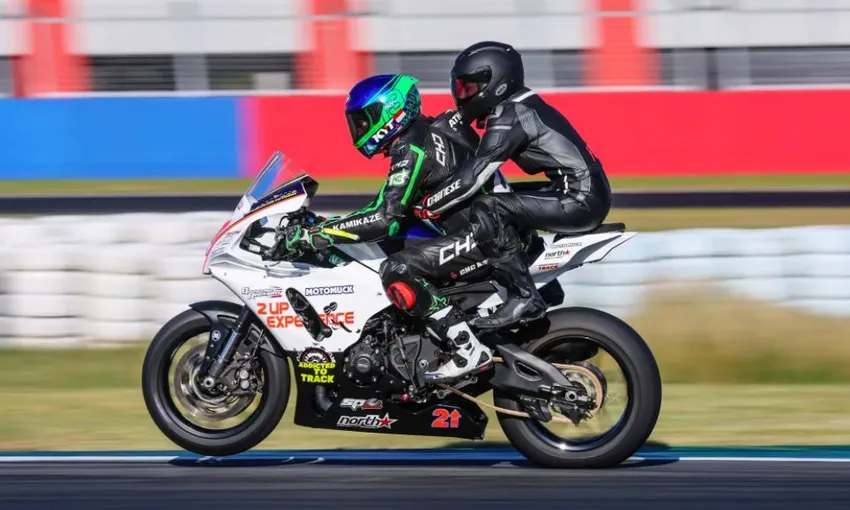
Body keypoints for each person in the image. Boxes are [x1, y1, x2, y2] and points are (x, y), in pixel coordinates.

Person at [281, 73, 508, 381]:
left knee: (396, 269)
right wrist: (330, 225)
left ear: (389, 111)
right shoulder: (425, 132)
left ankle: (464, 348)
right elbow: (389, 207)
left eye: (363, 120)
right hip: (484, 229)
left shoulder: (411, 148)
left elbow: (383, 219)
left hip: (482, 237)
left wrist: (315, 235)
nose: (358, 128)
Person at [417, 40, 613, 338]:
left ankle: (524, 297)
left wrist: (430, 205)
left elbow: (475, 174)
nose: (462, 96)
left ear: (495, 81)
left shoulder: (510, 115)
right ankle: (541, 283)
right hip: (580, 191)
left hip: (580, 198)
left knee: (488, 207)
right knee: (502, 201)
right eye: (460, 88)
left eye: (468, 88)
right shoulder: (521, 106)